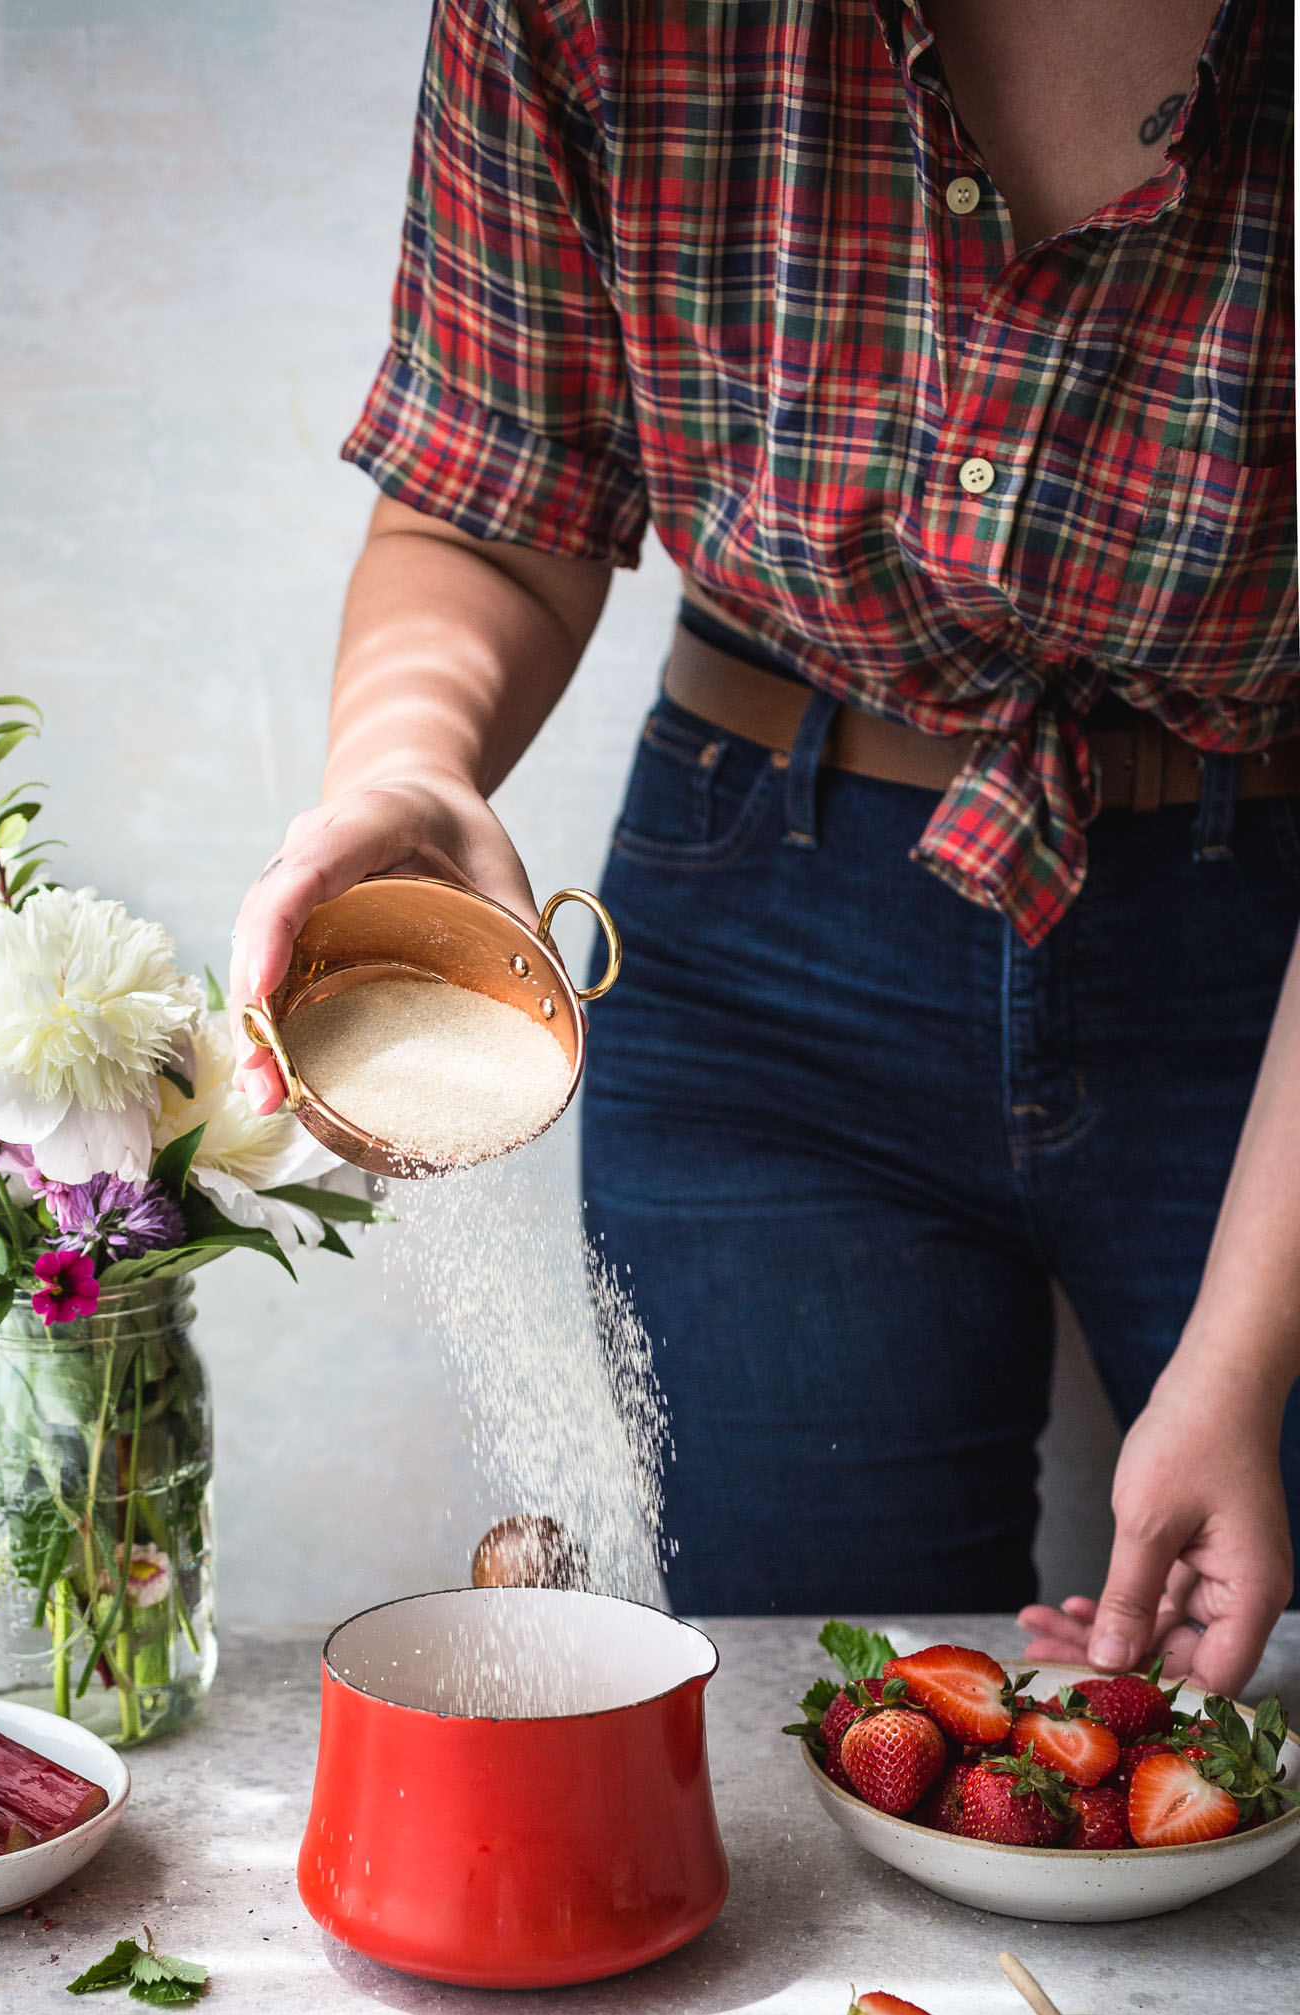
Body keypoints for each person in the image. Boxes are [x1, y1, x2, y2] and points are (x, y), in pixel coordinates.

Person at [230, 1, 1296, 1695]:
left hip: (1265, 951)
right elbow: (493, 498)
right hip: (764, 937)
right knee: (829, 1709)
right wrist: (411, 759)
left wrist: (1243, 1364)